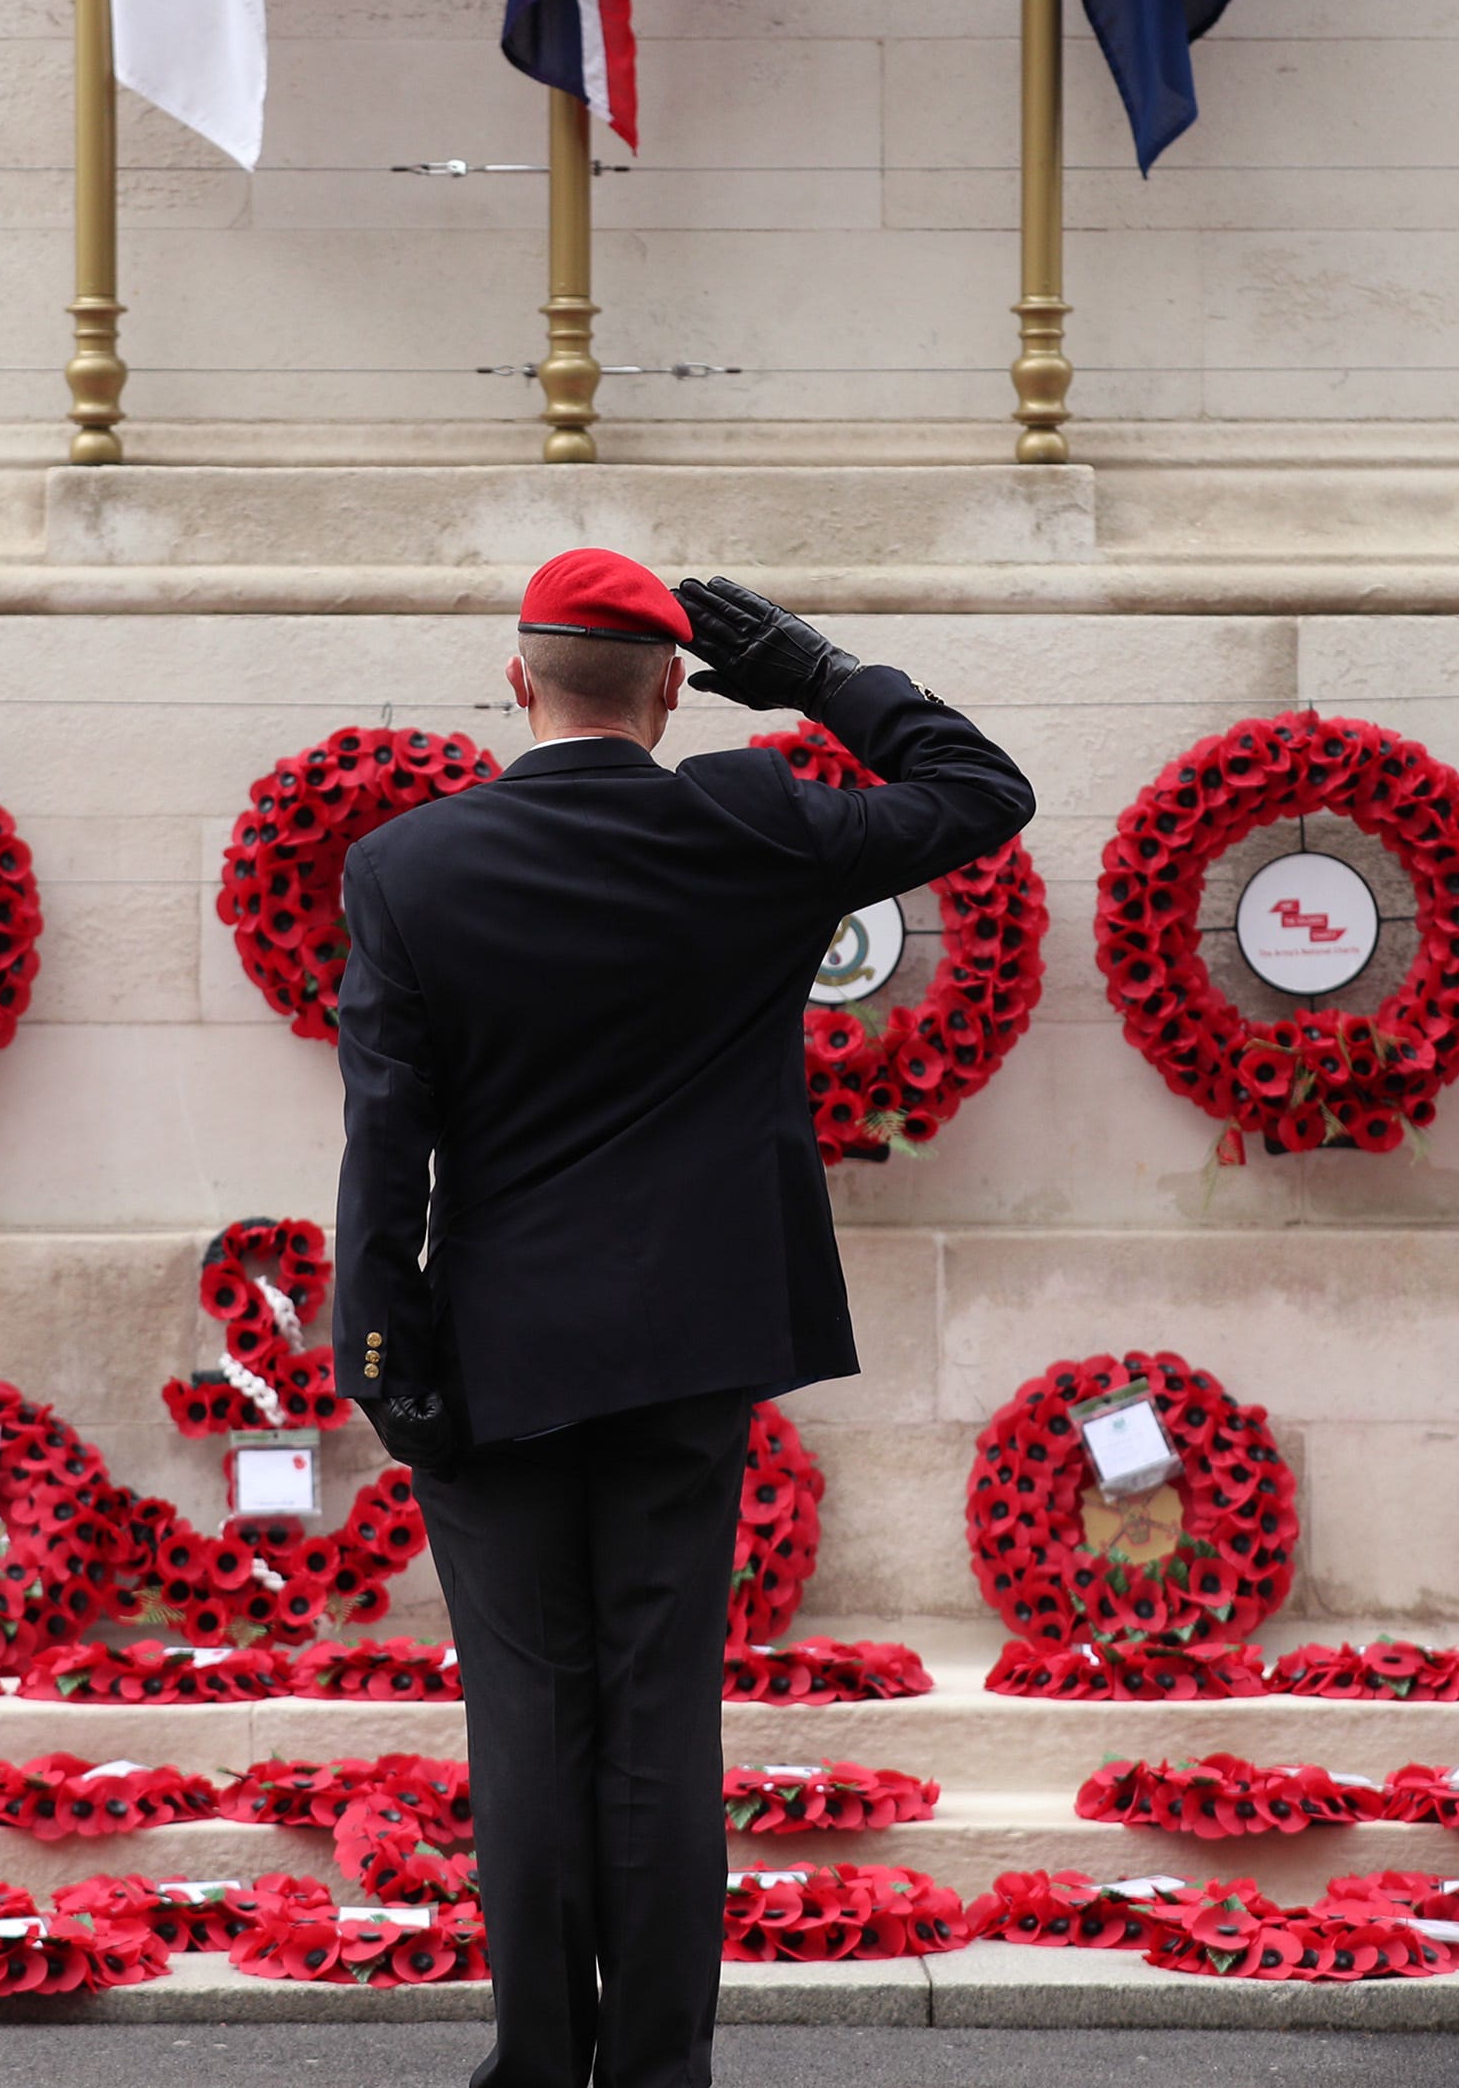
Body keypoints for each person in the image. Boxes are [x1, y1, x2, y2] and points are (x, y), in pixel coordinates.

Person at [332, 550, 1034, 2088]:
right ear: (669, 688)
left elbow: (388, 1138)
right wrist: (810, 669)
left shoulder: (407, 865)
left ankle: (535, 2067)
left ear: (515, 682)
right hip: (688, 1343)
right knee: (657, 1717)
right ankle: (657, 2074)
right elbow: (981, 788)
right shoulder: (750, 815)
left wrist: (376, 1353)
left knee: (527, 1723)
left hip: (492, 1348)